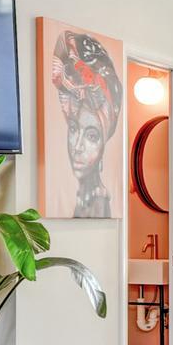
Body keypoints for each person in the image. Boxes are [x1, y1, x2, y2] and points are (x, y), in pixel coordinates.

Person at [50, 30, 122, 217]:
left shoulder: (98, 203)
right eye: (73, 128)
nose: (78, 146)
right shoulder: (82, 196)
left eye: (92, 135)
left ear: (105, 138)